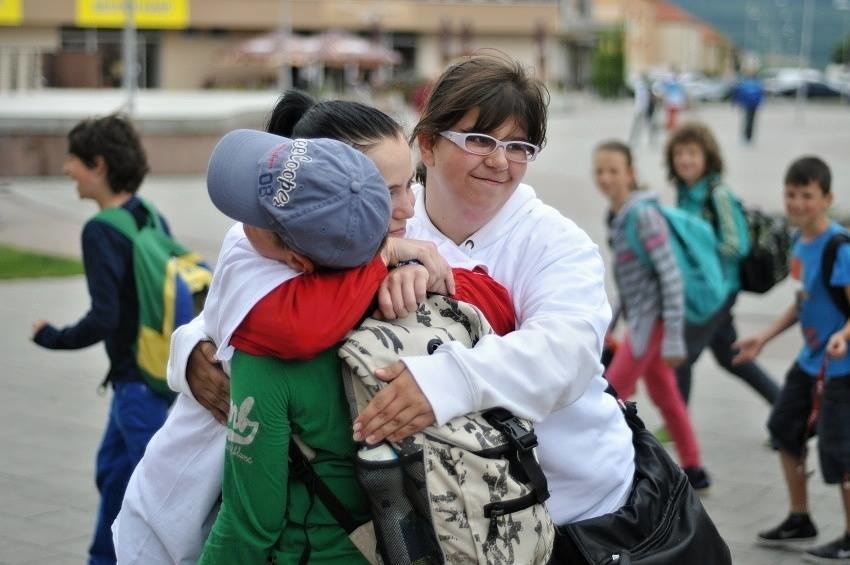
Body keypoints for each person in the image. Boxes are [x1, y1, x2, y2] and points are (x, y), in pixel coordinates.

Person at [182, 55, 733, 564]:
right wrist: (189, 354)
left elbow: (567, 354)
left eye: (521, 146)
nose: (501, 161)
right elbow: (252, 272)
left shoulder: (556, 242)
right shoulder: (382, 213)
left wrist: (444, 380)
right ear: (426, 143)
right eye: (479, 138)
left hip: (588, 513)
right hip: (457, 519)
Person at [112, 91, 478, 564]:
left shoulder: (383, 235)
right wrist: (190, 351)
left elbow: (482, 290)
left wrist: (417, 271)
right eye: (390, 192)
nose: (410, 206)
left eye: (412, 184)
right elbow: (287, 328)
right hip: (178, 516)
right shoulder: (260, 253)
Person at [30, 114, 171, 565]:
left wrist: (52, 336)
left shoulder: (101, 230)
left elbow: (104, 318)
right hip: (155, 371)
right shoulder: (149, 214)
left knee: (155, 488)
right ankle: (102, 556)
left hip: (136, 383)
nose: (66, 168)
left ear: (98, 165)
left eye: (72, 158)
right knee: (113, 473)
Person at [733, 156, 850, 562]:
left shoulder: (840, 247)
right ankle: (801, 518)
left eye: (807, 195)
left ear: (827, 198)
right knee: (784, 427)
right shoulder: (801, 243)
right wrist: (762, 338)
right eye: (791, 194)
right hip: (810, 360)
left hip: (842, 366)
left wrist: (842, 336)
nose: (797, 203)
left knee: (839, 451)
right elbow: (803, 303)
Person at [593, 140, 710, 491]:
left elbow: (670, 277)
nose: (606, 178)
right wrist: (610, 322)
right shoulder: (618, 215)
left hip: (654, 324)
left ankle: (607, 470)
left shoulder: (643, 215)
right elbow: (632, 281)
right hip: (643, 321)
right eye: (599, 171)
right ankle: (695, 467)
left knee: (611, 394)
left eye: (614, 170)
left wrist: (673, 335)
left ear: (631, 174)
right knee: (666, 396)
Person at [666, 121, 780, 407]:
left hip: (720, 288)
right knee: (730, 356)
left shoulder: (719, 194)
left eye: (692, 153)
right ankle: (787, 410)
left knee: (681, 354)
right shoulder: (685, 193)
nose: (685, 160)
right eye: (679, 153)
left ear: (707, 156)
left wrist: (698, 251)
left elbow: (736, 245)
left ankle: (678, 426)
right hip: (702, 290)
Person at [732, 69, 764, 144]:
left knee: (746, 121)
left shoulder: (744, 83)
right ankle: (750, 137)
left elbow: (738, 94)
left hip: (746, 105)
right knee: (752, 121)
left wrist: (737, 103)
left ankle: (745, 137)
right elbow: (761, 94)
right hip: (754, 105)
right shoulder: (758, 83)